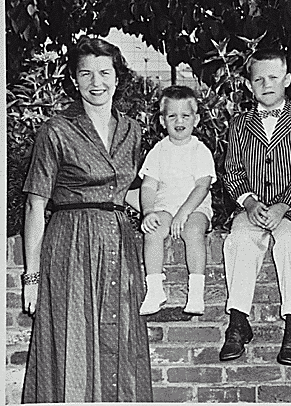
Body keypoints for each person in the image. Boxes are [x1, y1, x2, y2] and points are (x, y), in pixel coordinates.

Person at [21, 36, 152, 402]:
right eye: (87, 74)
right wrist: (31, 278)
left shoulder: (132, 130)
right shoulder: (56, 130)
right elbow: (35, 206)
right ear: (74, 80)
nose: (97, 82)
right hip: (72, 245)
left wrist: (169, 209)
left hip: (119, 246)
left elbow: (127, 190)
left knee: (122, 341)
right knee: (72, 341)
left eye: (105, 73)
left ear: (117, 77)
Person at [219, 48, 291, 366]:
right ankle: (238, 321)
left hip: (290, 207)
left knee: (290, 245)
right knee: (239, 241)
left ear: (287, 80)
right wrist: (248, 201)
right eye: (259, 79)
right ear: (250, 85)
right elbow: (232, 168)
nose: (267, 84)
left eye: (274, 77)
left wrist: (284, 205)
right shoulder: (240, 124)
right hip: (251, 206)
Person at [138, 85, 216, 315]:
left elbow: (202, 186)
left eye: (185, 115)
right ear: (163, 121)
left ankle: (195, 292)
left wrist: (183, 213)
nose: (178, 121)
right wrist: (148, 211)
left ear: (196, 119)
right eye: (172, 116)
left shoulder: (199, 150)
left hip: (194, 209)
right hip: (164, 208)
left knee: (193, 231)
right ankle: (154, 290)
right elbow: (149, 185)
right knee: (152, 232)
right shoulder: (158, 150)